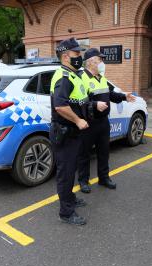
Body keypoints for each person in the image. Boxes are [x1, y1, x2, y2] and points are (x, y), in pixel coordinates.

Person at [77, 48, 135, 193]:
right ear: (91, 62)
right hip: (88, 122)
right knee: (84, 153)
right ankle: (83, 181)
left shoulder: (101, 78)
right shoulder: (81, 77)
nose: (102, 63)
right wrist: (95, 105)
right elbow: (77, 102)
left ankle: (104, 178)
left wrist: (123, 96)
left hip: (103, 122)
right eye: (100, 60)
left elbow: (110, 94)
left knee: (104, 151)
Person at [49, 38, 93, 225]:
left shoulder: (73, 75)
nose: (80, 57)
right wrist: (78, 120)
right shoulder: (64, 78)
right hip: (65, 132)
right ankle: (66, 213)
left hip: (73, 133)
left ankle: (71, 199)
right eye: (77, 54)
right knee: (65, 173)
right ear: (66, 56)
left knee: (70, 169)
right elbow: (60, 106)